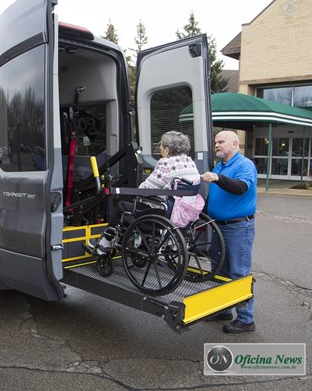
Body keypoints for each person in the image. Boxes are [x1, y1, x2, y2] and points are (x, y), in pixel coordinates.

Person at [91, 131, 201, 254]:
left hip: (164, 214)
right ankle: (143, 244)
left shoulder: (166, 163)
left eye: (161, 145)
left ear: (168, 149)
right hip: (185, 214)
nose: (159, 149)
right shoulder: (191, 163)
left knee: (122, 206)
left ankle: (104, 244)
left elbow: (145, 190)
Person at [202, 130, 257, 334]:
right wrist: (200, 213)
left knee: (238, 273)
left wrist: (217, 178)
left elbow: (240, 188)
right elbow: (215, 196)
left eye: (221, 141)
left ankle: (246, 319)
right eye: (215, 141)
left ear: (235, 144)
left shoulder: (244, 165)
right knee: (220, 271)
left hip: (238, 227)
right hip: (218, 225)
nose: (216, 145)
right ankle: (224, 310)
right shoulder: (220, 165)